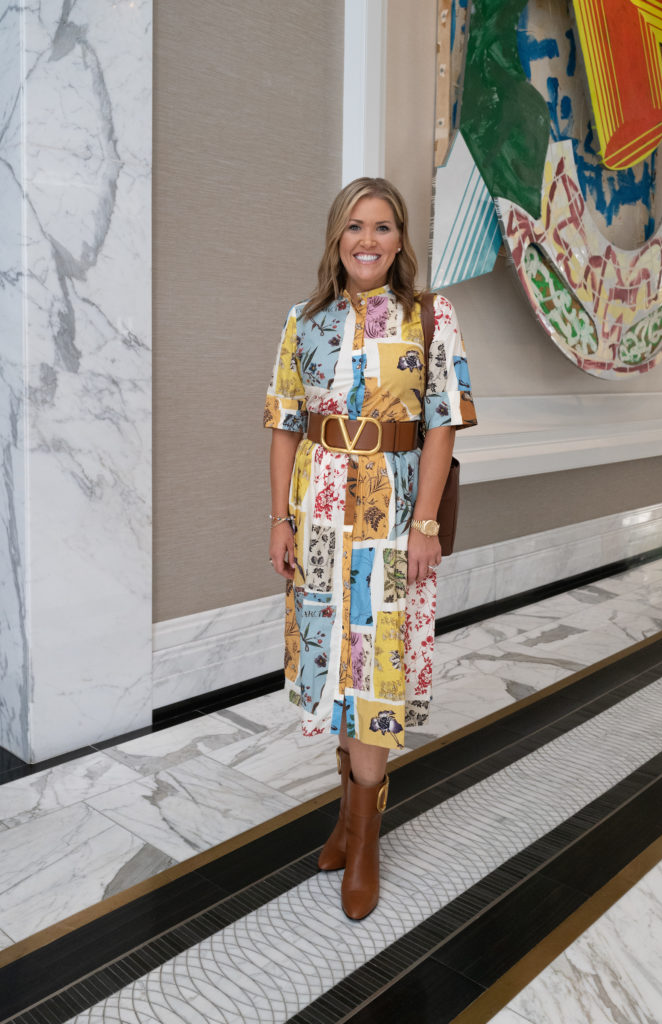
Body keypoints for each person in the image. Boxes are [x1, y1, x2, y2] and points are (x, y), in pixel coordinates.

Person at [264, 177, 477, 920]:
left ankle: (365, 844)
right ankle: (347, 822)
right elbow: (285, 423)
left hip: (391, 515)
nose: (368, 239)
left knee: (377, 668)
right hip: (319, 510)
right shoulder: (303, 321)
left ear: (400, 240)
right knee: (335, 667)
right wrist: (279, 520)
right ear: (337, 237)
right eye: (355, 225)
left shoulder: (430, 317)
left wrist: (425, 525)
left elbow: (443, 423)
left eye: (383, 227)